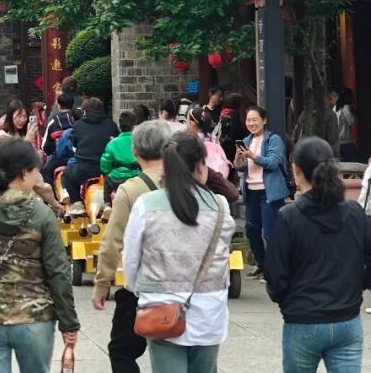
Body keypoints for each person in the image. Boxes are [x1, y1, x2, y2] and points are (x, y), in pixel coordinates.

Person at [0, 139, 79, 373]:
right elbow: (58, 271)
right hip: (35, 315)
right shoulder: (41, 214)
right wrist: (69, 322)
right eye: (35, 171)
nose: (38, 177)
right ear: (23, 173)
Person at [123, 131, 235, 372]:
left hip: (160, 307)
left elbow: (131, 259)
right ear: (200, 165)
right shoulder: (220, 206)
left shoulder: (146, 205)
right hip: (209, 312)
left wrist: (139, 289)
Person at [266, 137, 371, 372]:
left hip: (303, 318)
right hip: (347, 318)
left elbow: (275, 276)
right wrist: (359, 285)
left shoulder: (289, 217)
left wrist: (287, 303)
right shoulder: (355, 212)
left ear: (296, 170)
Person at [92, 120, 169, 373]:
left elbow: (113, 240)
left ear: (135, 151)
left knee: (121, 350)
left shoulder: (130, 190)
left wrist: (102, 284)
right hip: (185, 285)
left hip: (143, 286)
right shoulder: (186, 183)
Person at [234, 105, 288, 280]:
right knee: (251, 230)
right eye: (248, 120)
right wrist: (238, 159)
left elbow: (273, 162)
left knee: (269, 232)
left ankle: (275, 268)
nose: (251, 123)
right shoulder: (246, 140)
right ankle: (262, 264)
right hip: (251, 191)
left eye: (254, 120)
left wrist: (252, 156)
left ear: (264, 121)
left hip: (269, 192)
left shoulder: (274, 139)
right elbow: (242, 168)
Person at [64, 97, 119, 216]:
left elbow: (74, 144)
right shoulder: (112, 125)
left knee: (67, 174)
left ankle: (76, 203)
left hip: (84, 169)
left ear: (85, 111)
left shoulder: (78, 125)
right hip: (106, 170)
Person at [100, 110, 139, 203]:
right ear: (134, 126)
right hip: (136, 177)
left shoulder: (112, 143)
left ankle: (107, 204)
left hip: (116, 180)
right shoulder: (139, 141)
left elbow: (105, 165)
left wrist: (110, 171)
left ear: (119, 126)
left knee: (107, 179)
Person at [331, 87, 358, 162]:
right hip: (346, 143)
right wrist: (354, 113)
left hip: (336, 143)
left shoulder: (335, 108)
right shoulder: (346, 108)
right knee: (353, 163)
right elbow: (351, 122)